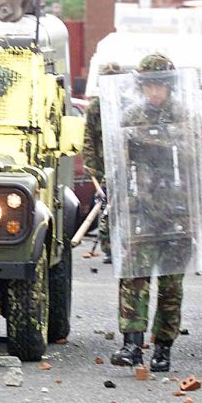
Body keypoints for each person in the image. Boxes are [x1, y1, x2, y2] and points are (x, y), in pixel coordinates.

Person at [109, 53, 193, 373]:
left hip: (177, 212)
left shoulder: (184, 116)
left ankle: (163, 347)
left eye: (160, 86)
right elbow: (119, 159)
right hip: (141, 210)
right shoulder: (131, 116)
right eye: (149, 87)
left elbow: (191, 155)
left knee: (171, 285)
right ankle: (131, 344)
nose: (155, 93)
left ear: (170, 88)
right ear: (141, 88)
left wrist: (151, 140)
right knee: (134, 279)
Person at [82, 61, 123, 263]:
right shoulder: (96, 107)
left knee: (124, 207)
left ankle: (124, 246)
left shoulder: (127, 103)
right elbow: (89, 137)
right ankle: (108, 247)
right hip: (104, 163)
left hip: (124, 163)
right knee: (106, 205)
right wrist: (91, 165)